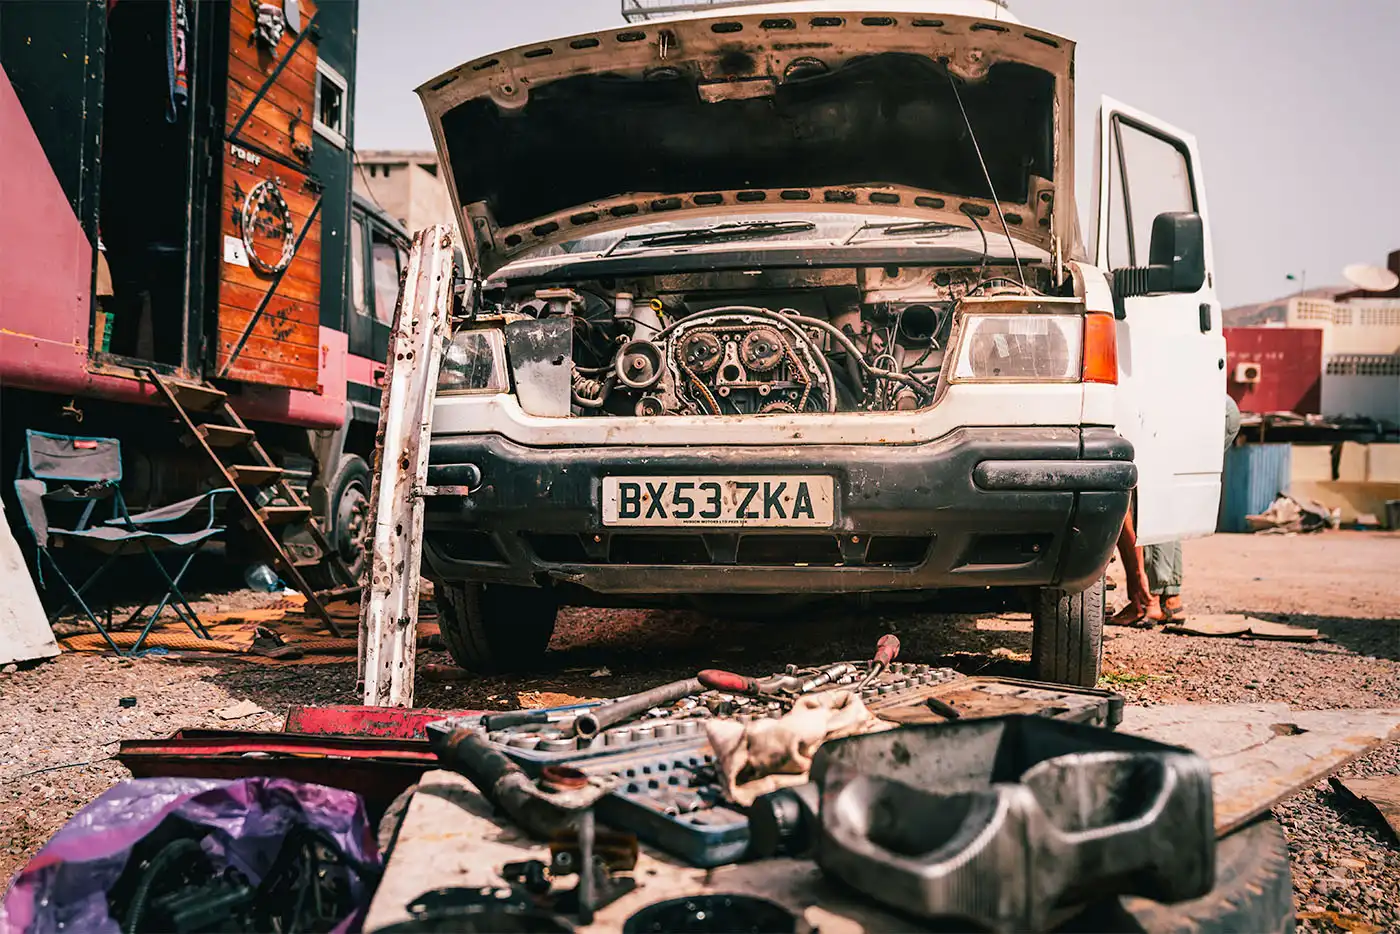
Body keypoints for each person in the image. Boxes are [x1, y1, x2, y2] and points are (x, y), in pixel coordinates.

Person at [1111, 396, 1242, 625]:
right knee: (1165, 497)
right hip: (1217, 406)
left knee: (1151, 499)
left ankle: (1148, 601)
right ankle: (1170, 599)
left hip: (1197, 413)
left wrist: (1136, 575)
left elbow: (1125, 509)